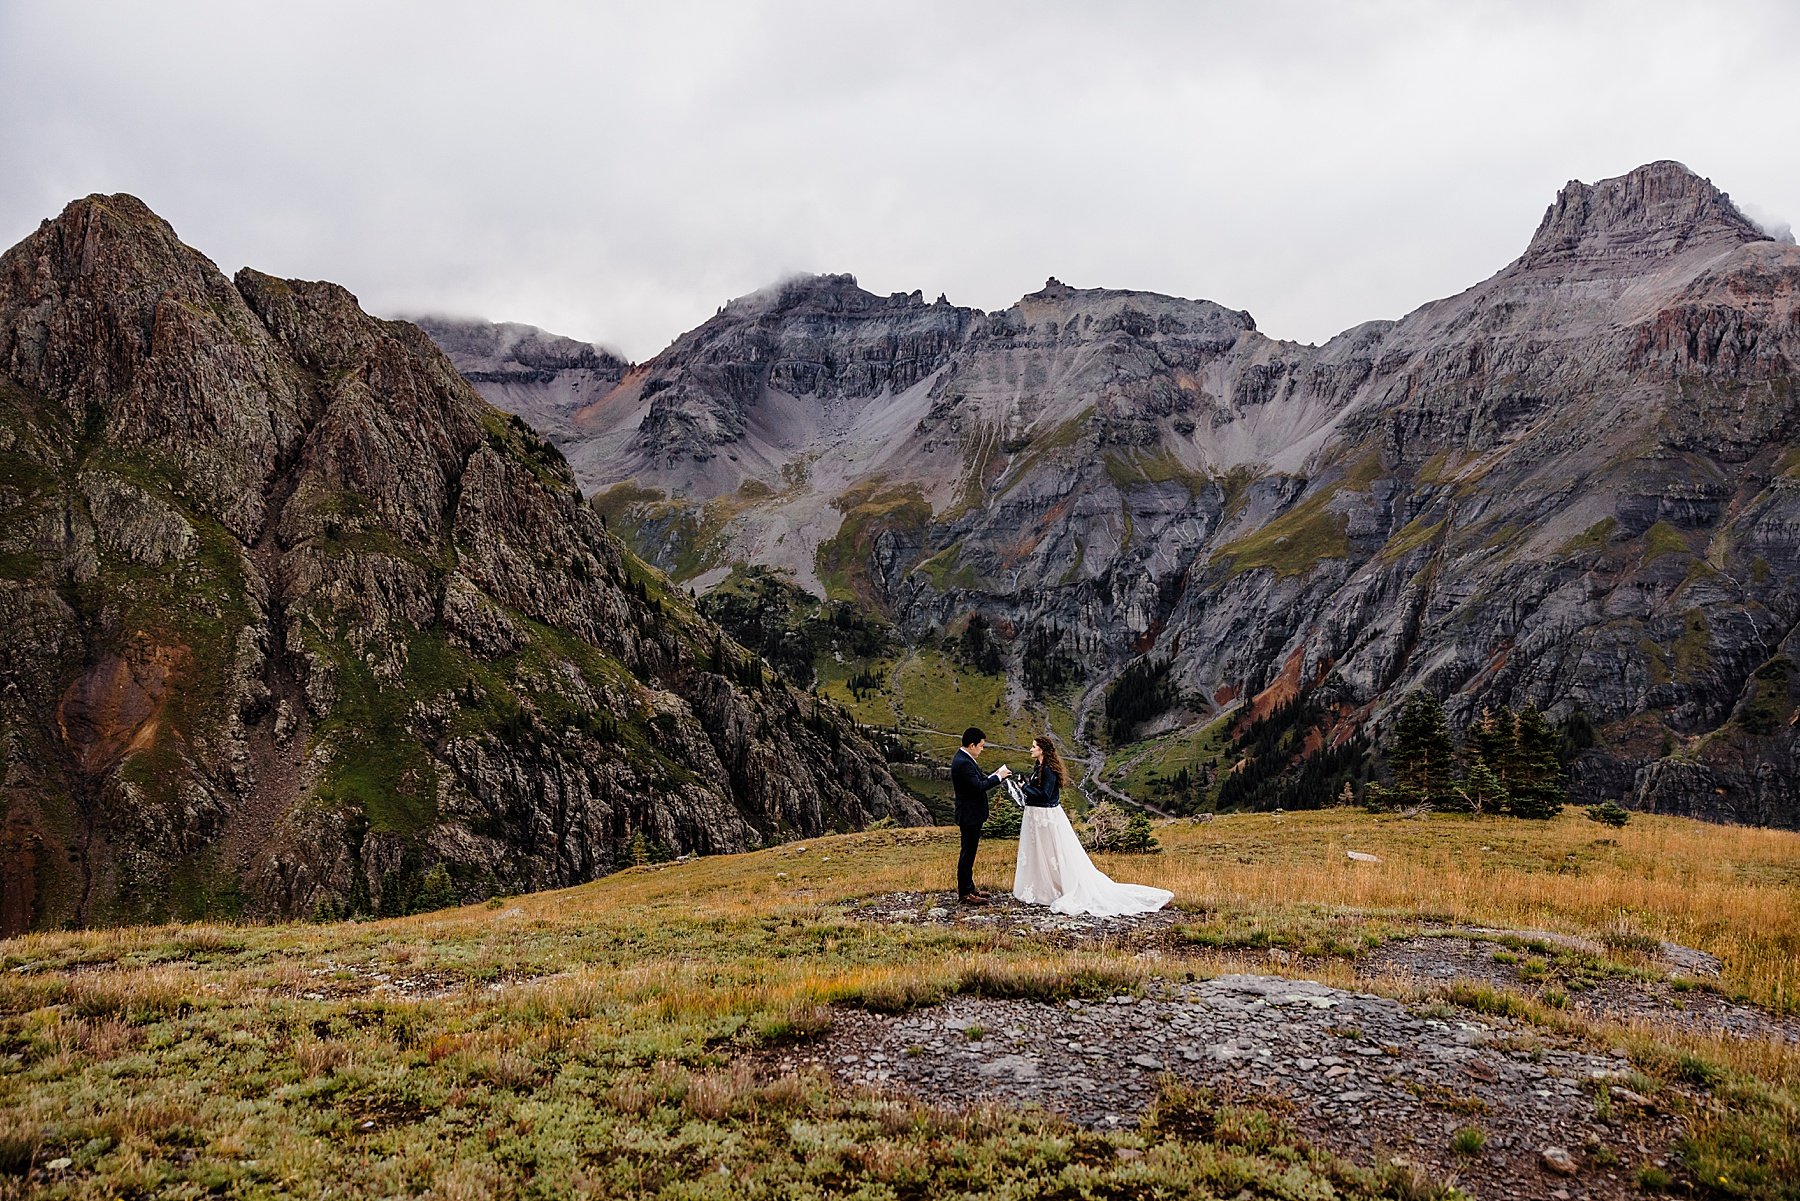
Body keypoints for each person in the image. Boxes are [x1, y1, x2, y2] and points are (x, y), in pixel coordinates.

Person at [1012, 734, 1173, 917]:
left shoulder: (1048, 769)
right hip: (1036, 817)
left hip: (1045, 817)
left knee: (1052, 852)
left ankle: (1054, 887)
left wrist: (1024, 787)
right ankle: (1042, 887)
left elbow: (1046, 796)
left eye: (1033, 746)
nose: (1031, 749)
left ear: (1042, 749)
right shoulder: (1040, 767)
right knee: (1041, 853)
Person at [950, 726, 1009, 904]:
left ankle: (970, 887)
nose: (982, 749)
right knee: (968, 853)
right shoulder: (963, 763)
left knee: (970, 851)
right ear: (972, 745)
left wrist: (994, 775)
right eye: (981, 746)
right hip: (970, 815)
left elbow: (978, 781)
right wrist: (998, 778)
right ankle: (965, 892)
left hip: (972, 814)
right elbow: (977, 787)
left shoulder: (965, 759)